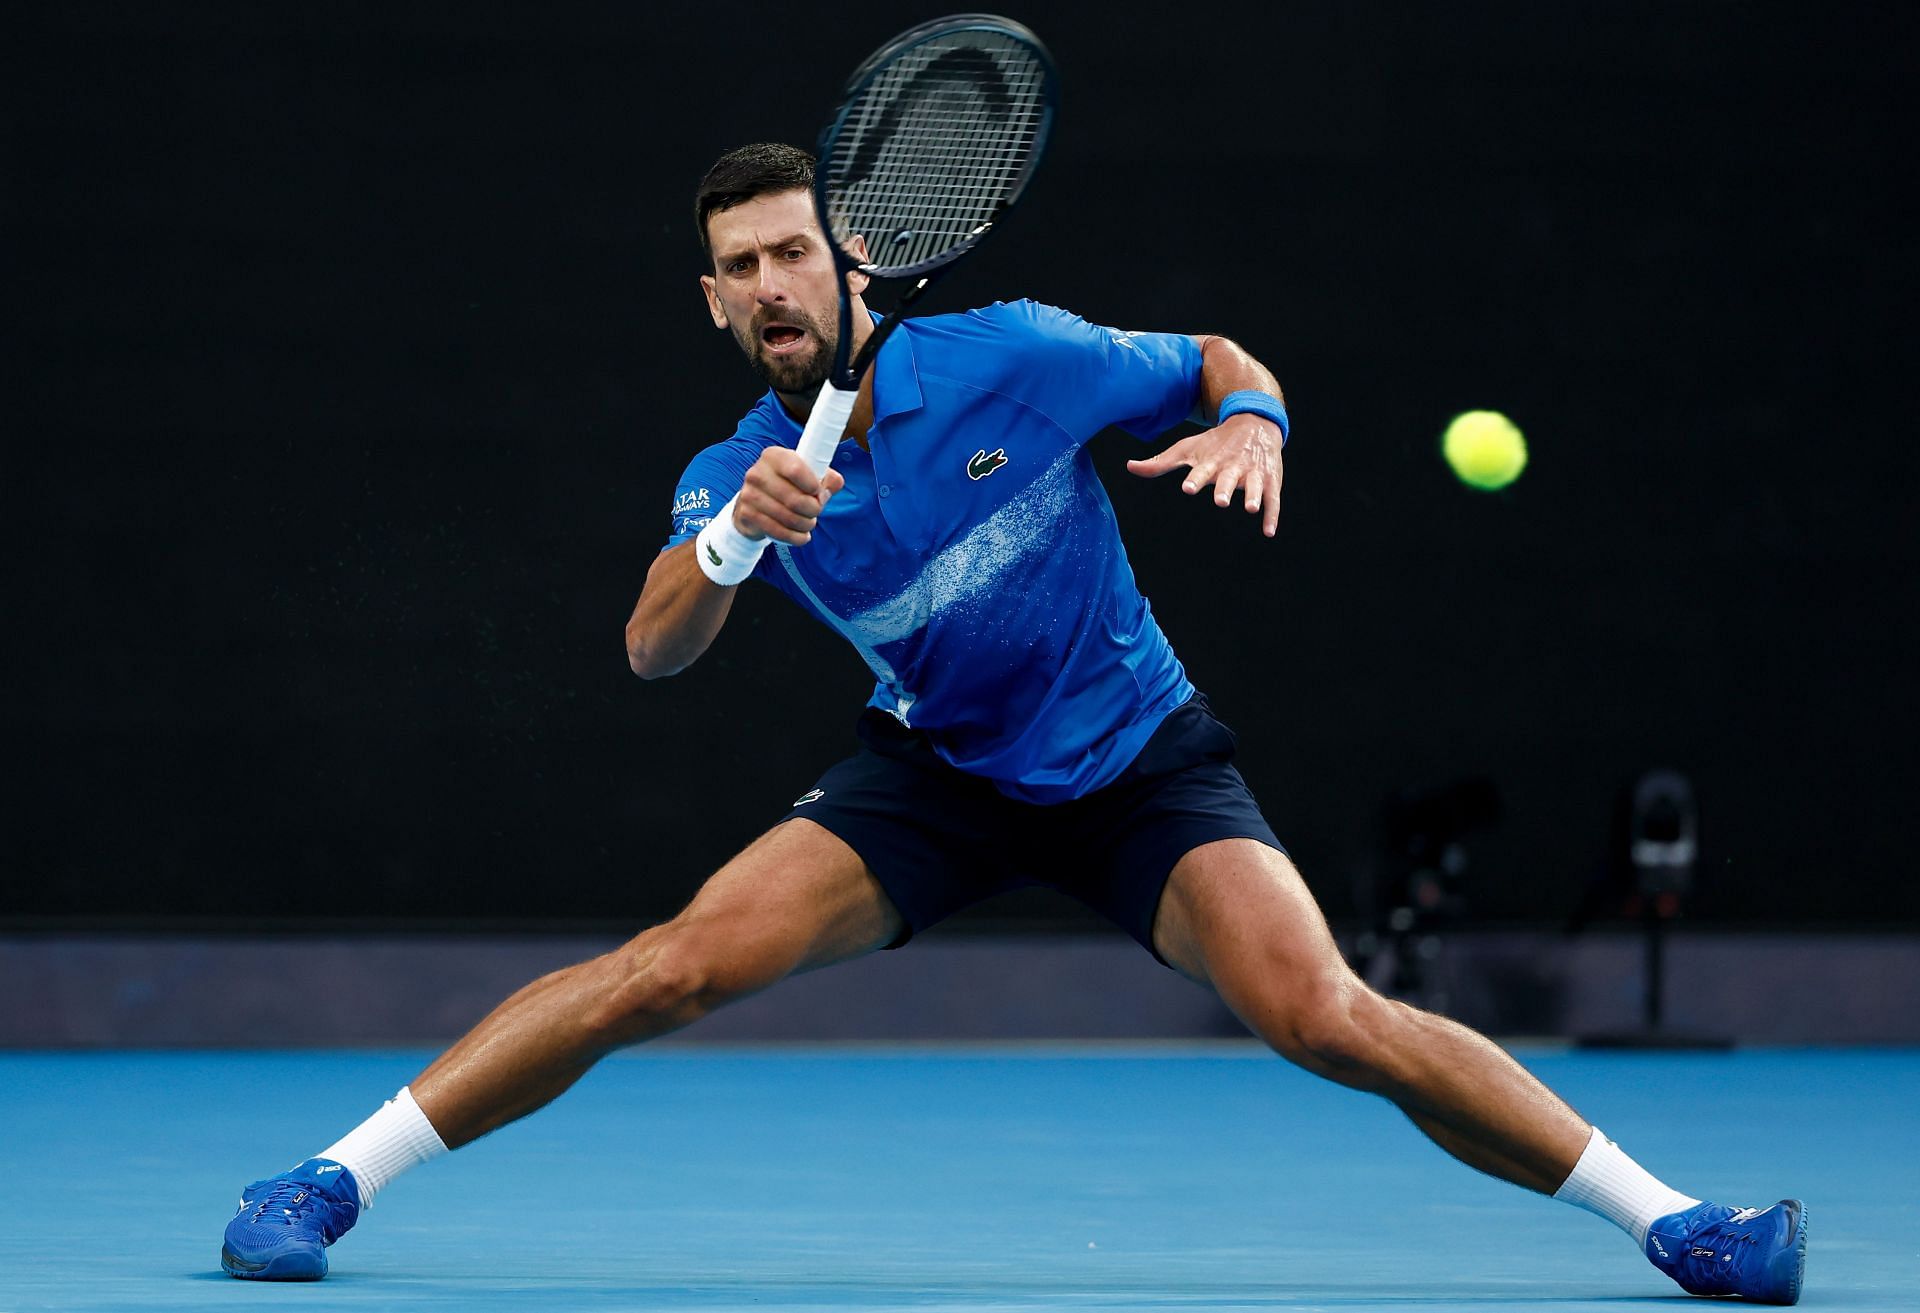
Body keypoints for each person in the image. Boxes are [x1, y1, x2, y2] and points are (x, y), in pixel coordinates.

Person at [219, 143, 1807, 1304]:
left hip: (1136, 758)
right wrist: (728, 545)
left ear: (850, 263)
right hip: (936, 775)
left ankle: (1681, 1223)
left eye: (796, 252)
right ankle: (328, 1179)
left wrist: (1252, 420)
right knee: (670, 965)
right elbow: (651, 646)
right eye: (743, 267)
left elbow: (1211, 363)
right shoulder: (733, 474)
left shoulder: (1014, 358)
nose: (775, 285)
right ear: (714, 302)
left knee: (1326, 1011)